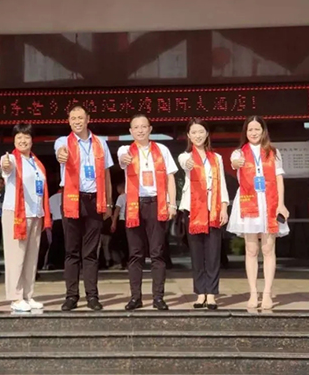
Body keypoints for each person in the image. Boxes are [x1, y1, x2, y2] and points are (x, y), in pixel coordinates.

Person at [227, 115, 290, 310]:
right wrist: (236, 163)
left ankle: (267, 293)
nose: (253, 133)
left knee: (268, 249)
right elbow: (234, 163)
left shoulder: (273, 152)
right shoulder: (239, 152)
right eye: (250, 129)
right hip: (248, 202)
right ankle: (253, 292)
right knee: (251, 249)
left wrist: (281, 204)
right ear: (245, 132)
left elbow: (279, 179)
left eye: (257, 129)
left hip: (269, 202)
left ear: (263, 131)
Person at [55, 105, 114, 311]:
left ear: (88, 119)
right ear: (69, 121)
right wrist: (62, 155)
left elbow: (106, 174)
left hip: (94, 200)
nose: (77, 121)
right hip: (72, 199)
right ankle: (71, 296)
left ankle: (92, 296)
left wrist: (109, 202)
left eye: (80, 118)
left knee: (91, 252)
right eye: (73, 118)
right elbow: (60, 153)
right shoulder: (63, 142)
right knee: (71, 251)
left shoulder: (101, 143)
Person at [117, 114, 177, 311]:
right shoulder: (125, 149)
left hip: (157, 203)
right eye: (136, 127)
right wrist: (124, 158)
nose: (140, 130)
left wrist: (172, 204)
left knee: (157, 253)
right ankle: (136, 297)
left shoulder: (162, 150)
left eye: (144, 126)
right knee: (135, 253)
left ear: (150, 129)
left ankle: (158, 297)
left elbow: (170, 178)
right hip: (135, 204)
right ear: (130, 131)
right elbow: (122, 158)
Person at [178, 118, 229, 310]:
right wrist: (190, 163)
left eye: (201, 132)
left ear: (207, 134)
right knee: (197, 253)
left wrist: (224, 207)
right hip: (193, 210)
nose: (198, 135)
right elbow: (185, 163)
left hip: (213, 209)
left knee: (213, 253)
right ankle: (200, 293)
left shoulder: (217, 158)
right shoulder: (185, 156)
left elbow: (222, 183)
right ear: (188, 136)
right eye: (194, 132)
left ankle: (212, 293)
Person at [0, 123, 52, 312]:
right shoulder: (11, 158)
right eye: (19, 137)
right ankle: (15, 297)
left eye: (26, 137)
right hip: (16, 214)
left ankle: (27, 295)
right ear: (14, 140)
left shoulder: (36, 163)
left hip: (35, 214)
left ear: (32, 140)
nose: (23, 140)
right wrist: (6, 165)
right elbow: (6, 168)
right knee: (16, 257)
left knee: (31, 257)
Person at [110, 183, 128, 269]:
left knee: (116, 243)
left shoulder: (121, 197)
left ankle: (119, 261)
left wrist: (113, 223)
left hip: (122, 221)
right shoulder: (131, 196)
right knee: (127, 242)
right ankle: (127, 261)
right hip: (130, 221)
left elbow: (117, 210)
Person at [47, 188, 65, 269]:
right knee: (65, 243)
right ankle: (62, 262)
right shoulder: (65, 196)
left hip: (56, 221)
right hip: (65, 221)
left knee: (54, 243)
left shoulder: (52, 198)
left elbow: (49, 211)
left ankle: (51, 262)